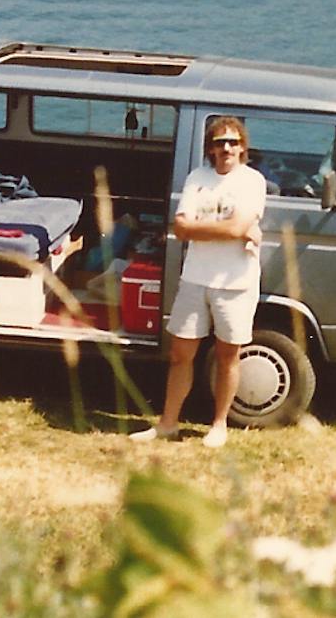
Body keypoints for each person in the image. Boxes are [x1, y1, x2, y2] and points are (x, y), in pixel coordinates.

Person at [132, 114, 266, 446]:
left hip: (235, 283)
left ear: (242, 147)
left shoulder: (253, 182)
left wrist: (206, 229)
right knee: (180, 354)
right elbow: (181, 229)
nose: (227, 149)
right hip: (195, 278)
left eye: (233, 142)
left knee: (227, 355)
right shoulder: (197, 177)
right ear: (210, 149)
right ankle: (167, 423)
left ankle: (219, 425)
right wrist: (230, 230)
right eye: (220, 143)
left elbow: (233, 228)